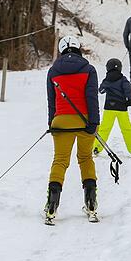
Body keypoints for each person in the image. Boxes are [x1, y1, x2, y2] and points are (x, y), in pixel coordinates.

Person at [45, 35, 100, 224]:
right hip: (85, 121)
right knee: (85, 158)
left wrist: (51, 123)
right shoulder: (89, 69)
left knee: (60, 160)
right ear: (78, 48)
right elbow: (92, 98)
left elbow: (51, 102)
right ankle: (91, 202)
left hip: (61, 121)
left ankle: (52, 204)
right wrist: (94, 122)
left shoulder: (53, 71)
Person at [95, 58, 131, 157]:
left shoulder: (107, 80)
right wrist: (129, 99)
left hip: (109, 109)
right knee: (126, 128)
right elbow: (127, 88)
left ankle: (96, 147)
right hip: (121, 108)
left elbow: (101, 90)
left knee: (104, 128)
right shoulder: (123, 79)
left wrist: (105, 87)